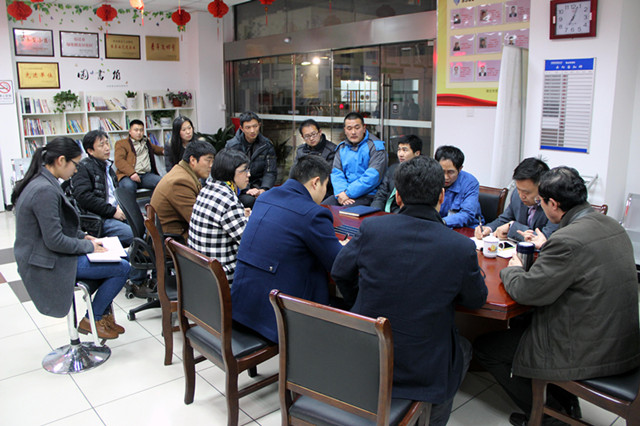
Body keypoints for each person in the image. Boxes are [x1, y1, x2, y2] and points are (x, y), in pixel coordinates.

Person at [474, 167, 640, 426]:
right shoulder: (610, 224)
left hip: (590, 347)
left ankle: (549, 417)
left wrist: (514, 269)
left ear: (553, 204)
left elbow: (526, 291)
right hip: (622, 339)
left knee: (487, 349)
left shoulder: (567, 239)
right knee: (523, 323)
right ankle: (566, 405)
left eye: (540, 201)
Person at [332, 156, 488, 426]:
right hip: (423, 368)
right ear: (441, 196)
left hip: (368, 351)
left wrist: (360, 300)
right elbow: (476, 299)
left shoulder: (372, 228)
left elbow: (339, 272)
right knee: (462, 349)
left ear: (398, 196)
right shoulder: (460, 247)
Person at [12, 137, 130, 340]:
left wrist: (84, 236)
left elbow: (57, 226)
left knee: (120, 258)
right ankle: (93, 318)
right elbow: (55, 240)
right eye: (75, 164)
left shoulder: (44, 181)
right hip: (46, 262)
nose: (76, 170)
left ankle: (101, 316)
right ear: (61, 161)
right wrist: (88, 247)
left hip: (48, 254)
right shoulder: (44, 190)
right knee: (122, 268)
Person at [231, 155, 343, 343]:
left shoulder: (265, 197)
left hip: (242, 308)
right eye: (326, 186)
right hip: (278, 319)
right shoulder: (313, 213)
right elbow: (338, 263)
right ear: (316, 182)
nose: (325, 194)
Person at [71, 130, 150, 296]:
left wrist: (128, 211)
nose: (107, 148)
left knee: (150, 231)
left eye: (107, 143)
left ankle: (150, 276)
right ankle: (135, 281)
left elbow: (115, 194)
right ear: (90, 150)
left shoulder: (107, 166)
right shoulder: (84, 168)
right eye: (102, 145)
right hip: (100, 219)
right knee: (136, 236)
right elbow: (84, 197)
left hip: (117, 213)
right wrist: (112, 211)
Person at [188, 149, 250, 283]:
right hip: (221, 276)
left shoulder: (207, 189)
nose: (248, 174)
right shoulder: (228, 201)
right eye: (244, 170)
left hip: (200, 272)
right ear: (229, 172)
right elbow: (250, 242)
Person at [475, 158, 558, 241]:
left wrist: (512, 227)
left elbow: (545, 239)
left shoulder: (553, 205)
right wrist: (488, 228)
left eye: (526, 192)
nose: (521, 196)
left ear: (542, 187)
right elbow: (504, 220)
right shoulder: (516, 194)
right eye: (519, 189)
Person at [150, 140, 215, 241]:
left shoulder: (183, 172)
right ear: (193, 160)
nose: (211, 165)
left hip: (174, 234)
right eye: (208, 161)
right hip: (173, 240)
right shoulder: (181, 181)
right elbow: (199, 221)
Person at [323, 112, 387, 206]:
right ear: (345, 130)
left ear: (364, 128)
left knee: (345, 211)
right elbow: (337, 173)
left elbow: (372, 177)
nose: (353, 132)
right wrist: (341, 193)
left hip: (367, 194)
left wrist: (348, 193)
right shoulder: (342, 148)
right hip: (343, 193)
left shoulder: (376, 147)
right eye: (349, 128)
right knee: (322, 208)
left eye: (357, 128)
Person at [225, 111, 277, 208]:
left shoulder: (266, 145)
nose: (252, 130)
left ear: (259, 125)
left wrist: (263, 189)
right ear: (241, 128)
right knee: (249, 201)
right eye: (248, 127)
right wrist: (247, 189)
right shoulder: (232, 146)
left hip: (260, 186)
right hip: (240, 188)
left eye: (255, 126)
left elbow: (270, 171)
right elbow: (230, 172)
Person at [371, 134, 422, 213]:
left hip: (402, 214)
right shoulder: (393, 169)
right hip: (384, 213)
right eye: (399, 150)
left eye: (405, 150)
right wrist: (374, 211)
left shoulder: (421, 173)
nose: (400, 154)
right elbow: (381, 195)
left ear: (417, 153)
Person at [435, 145, 482, 228]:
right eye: (442, 171)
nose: (445, 177)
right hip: (438, 226)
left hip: (466, 228)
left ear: (460, 169)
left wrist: (441, 222)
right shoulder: (431, 177)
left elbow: (467, 214)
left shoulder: (470, 182)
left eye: (450, 172)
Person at [114, 119, 164, 195]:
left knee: (162, 182)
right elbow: (119, 161)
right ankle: (129, 204)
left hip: (146, 175)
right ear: (130, 131)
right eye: (136, 130)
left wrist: (166, 151)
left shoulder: (146, 142)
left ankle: (154, 202)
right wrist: (132, 173)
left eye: (141, 130)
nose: (139, 133)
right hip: (127, 175)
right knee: (129, 186)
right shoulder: (122, 143)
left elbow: (156, 149)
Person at [290, 119, 337, 198]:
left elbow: (329, 177)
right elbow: (295, 173)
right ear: (302, 137)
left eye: (314, 134)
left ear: (320, 132)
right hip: (303, 190)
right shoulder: (300, 150)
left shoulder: (331, 150)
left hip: (324, 191)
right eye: (307, 136)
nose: (311, 138)